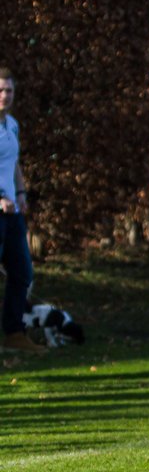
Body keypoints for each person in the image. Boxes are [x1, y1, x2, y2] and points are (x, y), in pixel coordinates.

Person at [0, 67, 43, 354]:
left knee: (22, 272)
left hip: (12, 213)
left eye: (9, 90)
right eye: (1, 90)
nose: (5, 95)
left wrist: (21, 193)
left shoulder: (12, 124)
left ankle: (14, 332)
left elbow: (14, 164)